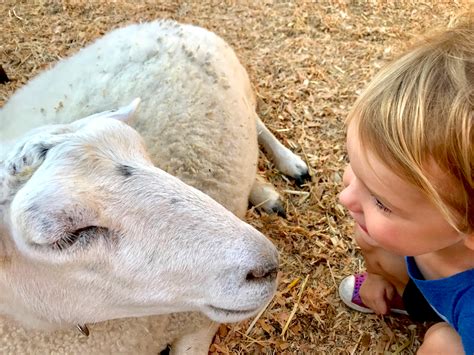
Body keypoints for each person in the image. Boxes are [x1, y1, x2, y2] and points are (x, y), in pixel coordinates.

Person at [336, 15, 473, 354]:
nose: (345, 196)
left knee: (442, 343)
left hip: (461, 323)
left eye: (381, 200)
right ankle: (394, 288)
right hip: (428, 274)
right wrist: (381, 273)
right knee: (371, 233)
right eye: (355, 169)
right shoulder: (433, 219)